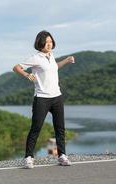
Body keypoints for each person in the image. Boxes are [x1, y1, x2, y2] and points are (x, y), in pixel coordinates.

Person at [13, 30, 75, 168]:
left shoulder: (51, 56)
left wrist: (66, 60)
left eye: (51, 41)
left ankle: (62, 156)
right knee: (36, 128)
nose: (49, 44)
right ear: (40, 43)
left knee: (60, 128)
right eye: (47, 42)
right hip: (42, 98)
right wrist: (26, 74)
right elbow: (16, 67)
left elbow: (54, 68)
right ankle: (28, 157)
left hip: (57, 97)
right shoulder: (36, 58)